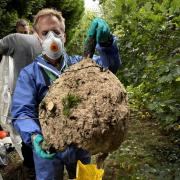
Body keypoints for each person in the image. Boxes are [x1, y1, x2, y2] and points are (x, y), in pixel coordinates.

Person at [11, 9, 121, 180]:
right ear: (36, 37)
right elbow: (21, 112)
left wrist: (107, 44)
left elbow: (108, 69)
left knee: (83, 176)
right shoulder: (30, 74)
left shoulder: (81, 65)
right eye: (45, 33)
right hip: (48, 143)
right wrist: (34, 137)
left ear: (64, 36)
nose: (51, 38)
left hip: (81, 142)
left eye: (56, 32)